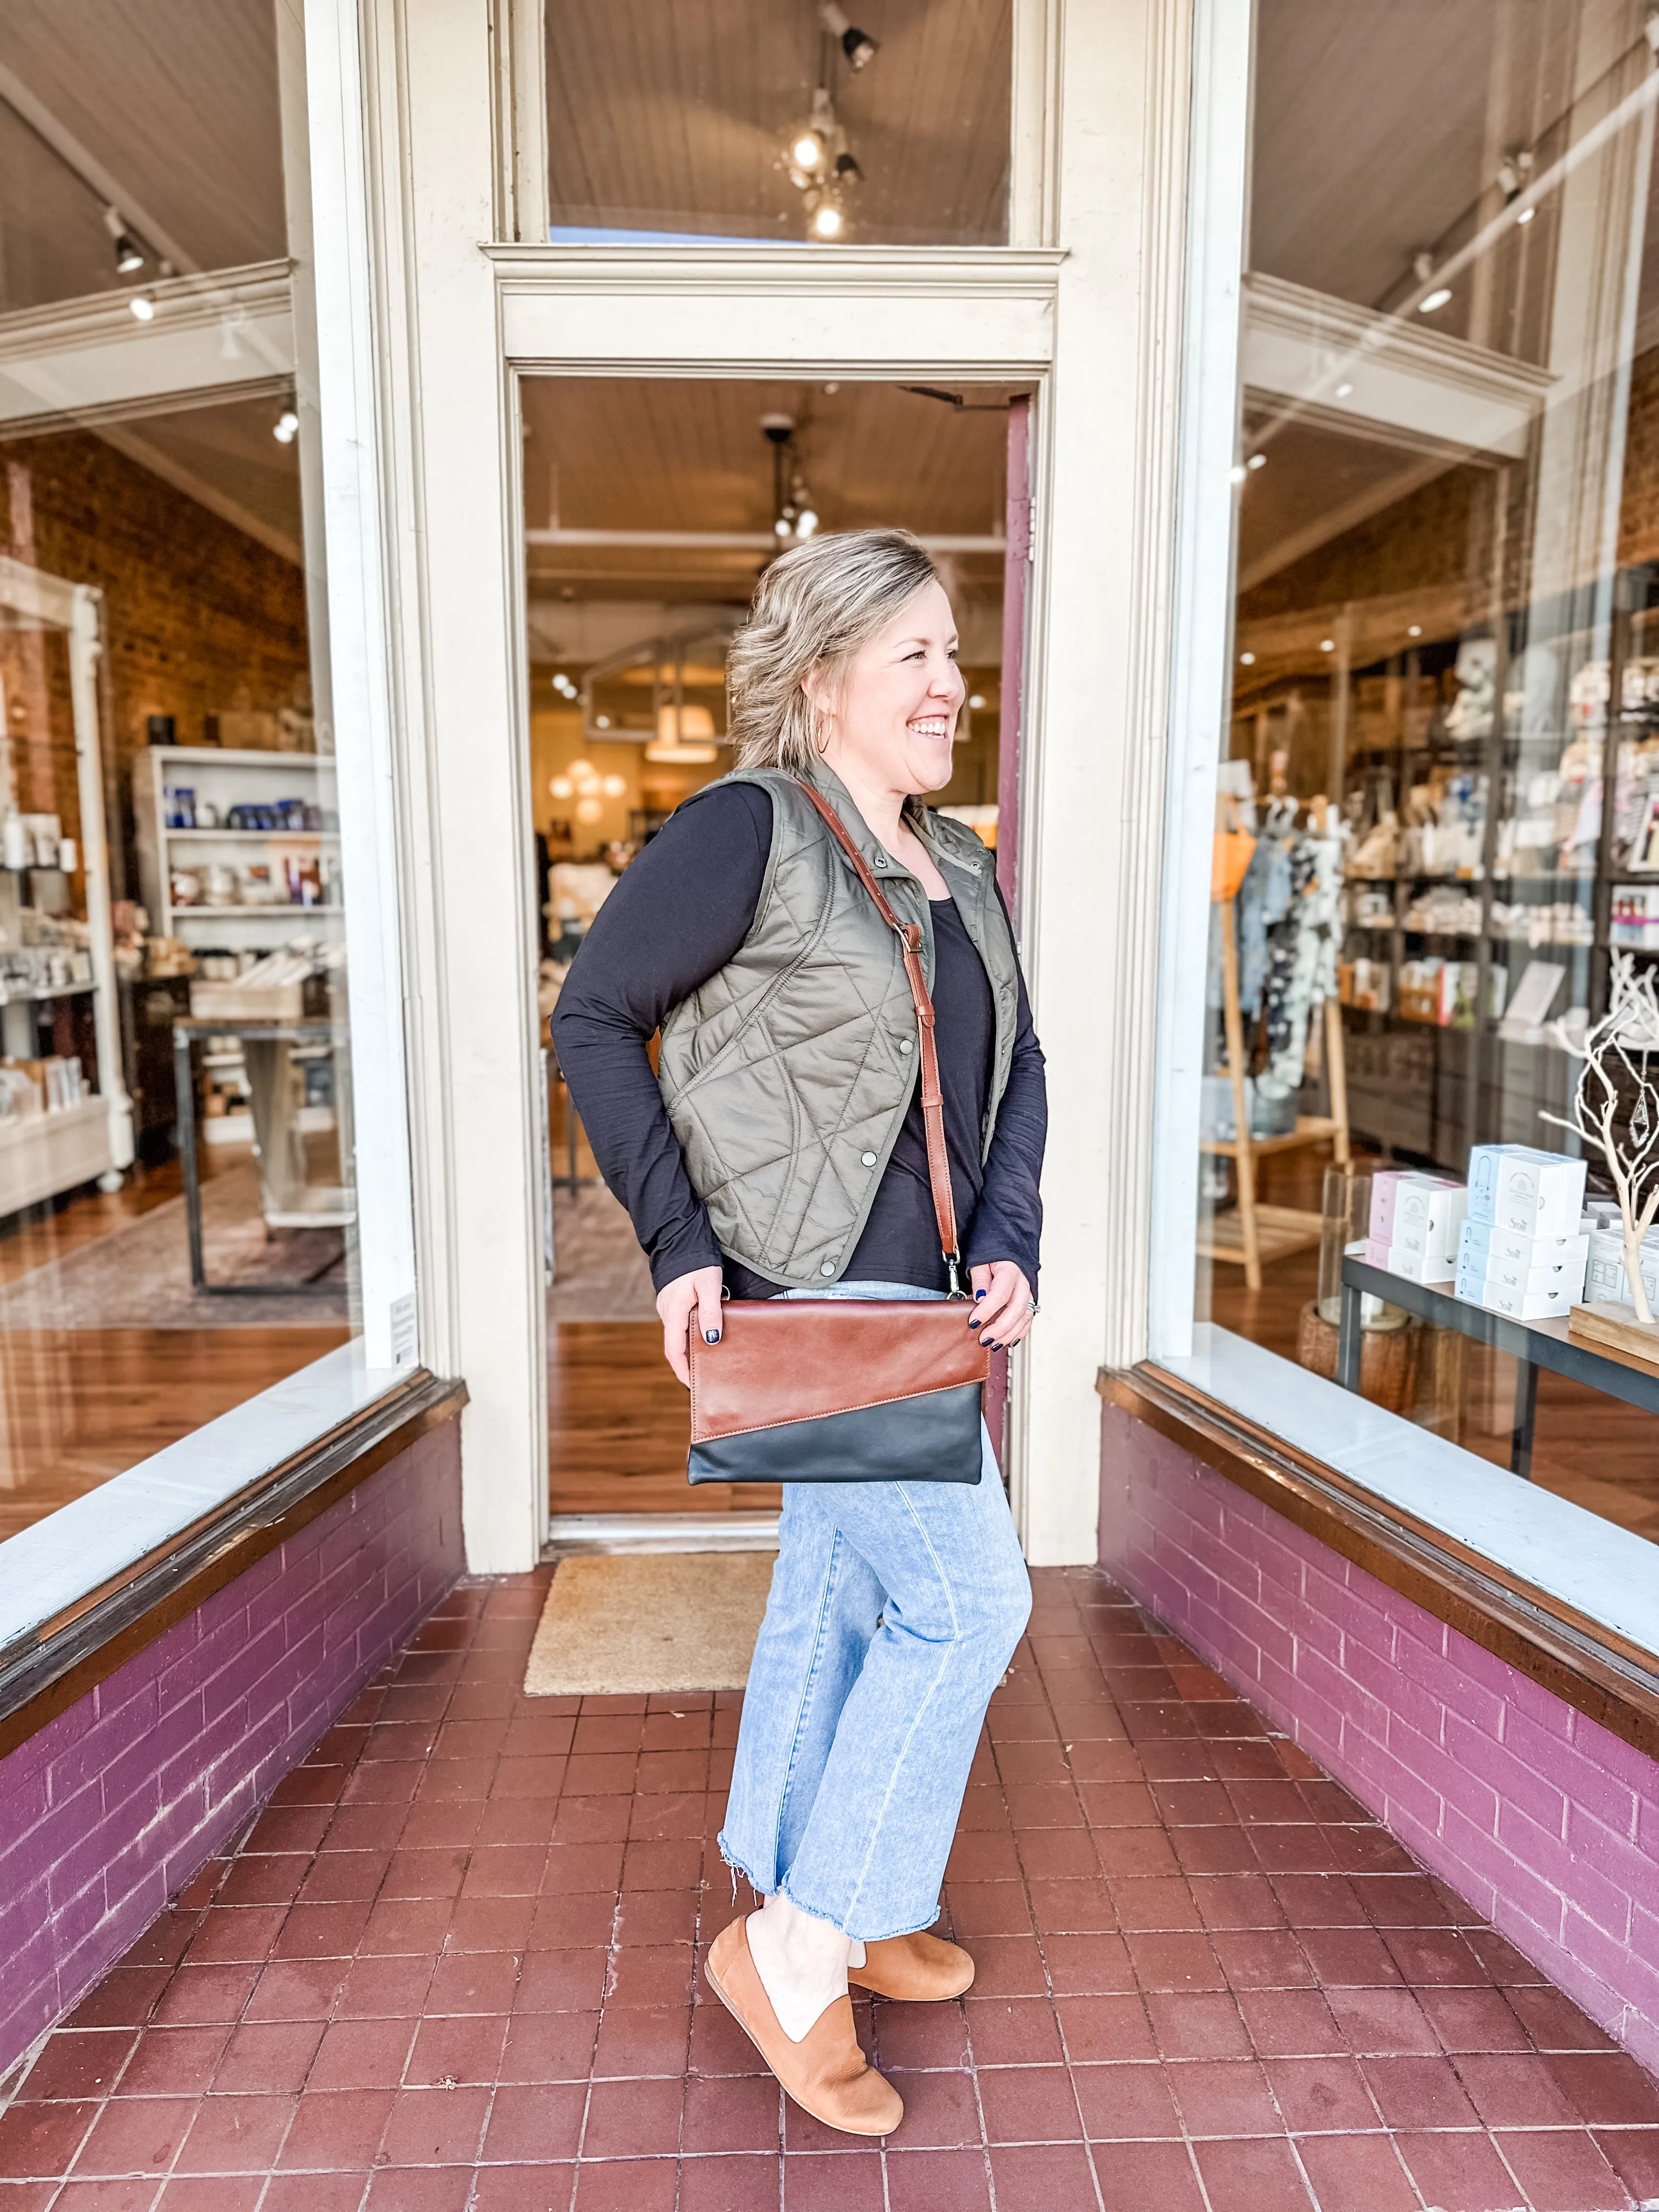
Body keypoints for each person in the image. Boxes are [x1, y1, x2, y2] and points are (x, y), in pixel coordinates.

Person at [551, 526, 1046, 2137]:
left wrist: (1018, 1239)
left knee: (842, 1595)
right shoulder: (745, 832)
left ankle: (834, 1880)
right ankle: (804, 1945)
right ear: (824, 675)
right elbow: (595, 1017)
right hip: (823, 1300)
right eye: (914, 654)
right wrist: (674, 1242)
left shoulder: (956, 857)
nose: (948, 685)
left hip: (935, 1306)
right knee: (973, 1606)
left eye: (955, 655)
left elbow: (1019, 1065)